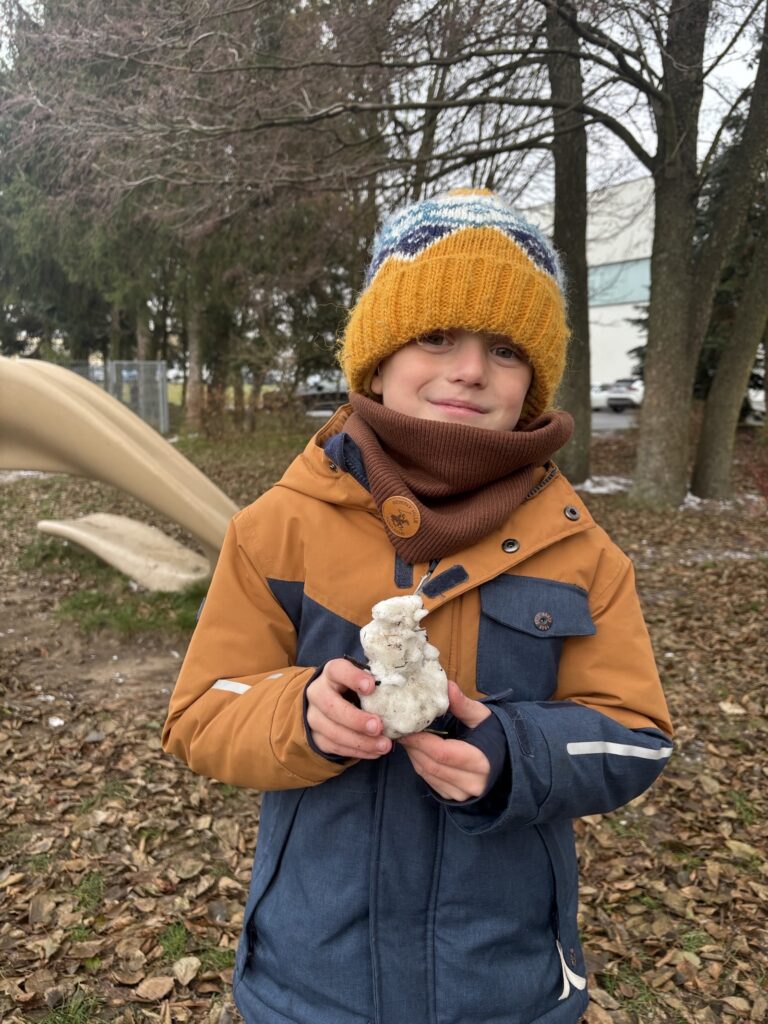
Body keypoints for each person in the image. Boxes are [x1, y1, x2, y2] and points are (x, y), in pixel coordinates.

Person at [162, 188, 673, 1024]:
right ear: (377, 357)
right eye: (436, 335)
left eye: (505, 349)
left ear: (533, 383)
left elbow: (636, 736)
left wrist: (515, 754)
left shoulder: (582, 555)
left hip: (503, 983)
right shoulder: (278, 530)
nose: (469, 370)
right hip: (312, 979)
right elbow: (199, 714)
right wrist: (300, 714)